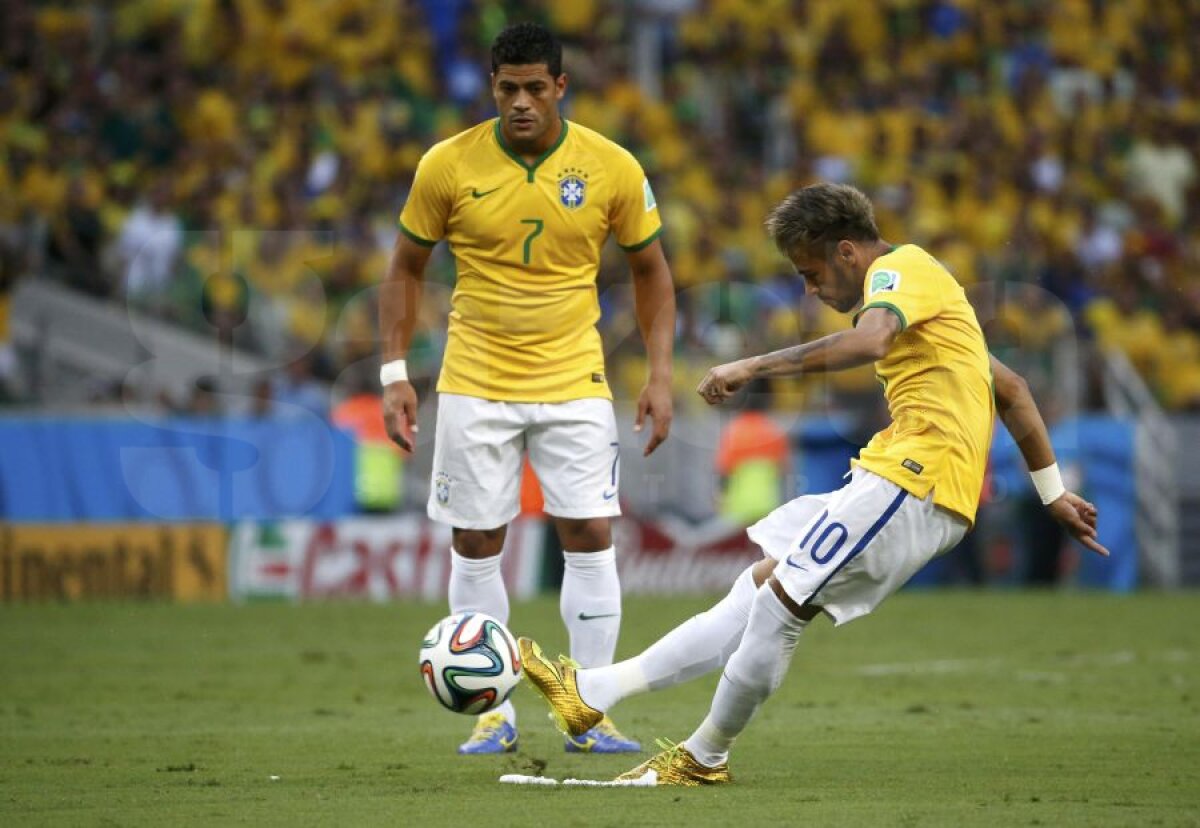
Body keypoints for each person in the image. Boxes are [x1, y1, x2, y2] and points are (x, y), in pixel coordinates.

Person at [518, 183, 1106, 785]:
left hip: (916, 482)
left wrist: (754, 364)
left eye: (811, 272)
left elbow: (870, 340)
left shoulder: (903, 271)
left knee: (782, 606)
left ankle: (704, 757)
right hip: (892, 474)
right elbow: (1012, 390)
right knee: (758, 587)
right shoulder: (936, 306)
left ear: (848, 252)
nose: (811, 289)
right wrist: (1051, 491)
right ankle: (592, 692)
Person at [379, 22, 676, 755]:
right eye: (508, 88)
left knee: (589, 531)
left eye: (535, 88)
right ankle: (494, 713)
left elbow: (653, 273)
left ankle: (587, 709)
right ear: (492, 87)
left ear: (560, 87)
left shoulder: (610, 166)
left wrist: (661, 375)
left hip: (574, 376)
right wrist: (393, 373)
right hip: (475, 377)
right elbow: (404, 270)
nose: (520, 102)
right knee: (477, 539)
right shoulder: (446, 166)